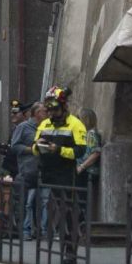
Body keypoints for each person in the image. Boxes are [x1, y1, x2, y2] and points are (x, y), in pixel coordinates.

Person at [33, 88, 89, 250]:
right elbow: (34, 147)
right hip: (47, 173)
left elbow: (80, 151)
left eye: (55, 110)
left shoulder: (75, 124)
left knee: (69, 212)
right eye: (49, 110)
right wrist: (38, 146)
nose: (51, 114)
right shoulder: (44, 124)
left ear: (63, 107)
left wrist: (58, 150)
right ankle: (49, 243)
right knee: (51, 210)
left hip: (66, 174)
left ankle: (70, 248)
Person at [10, 102, 44, 238]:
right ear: (36, 113)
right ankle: (24, 230)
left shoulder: (46, 127)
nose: (47, 113)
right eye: (44, 111)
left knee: (42, 202)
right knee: (26, 202)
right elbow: (14, 146)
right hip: (27, 170)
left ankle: (41, 230)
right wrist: (32, 149)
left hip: (43, 171)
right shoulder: (23, 127)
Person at [75, 107, 104, 222]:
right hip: (83, 170)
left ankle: (83, 226)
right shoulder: (85, 133)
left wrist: (81, 167)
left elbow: (95, 153)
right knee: (80, 200)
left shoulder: (91, 134)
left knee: (83, 201)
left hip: (86, 171)